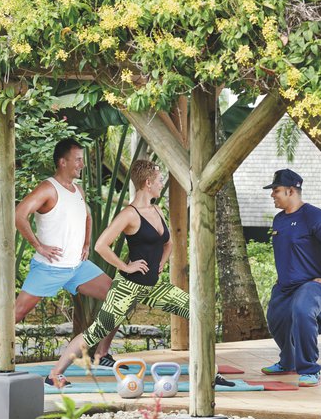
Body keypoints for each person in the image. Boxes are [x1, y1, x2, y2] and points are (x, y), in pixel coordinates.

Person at [47, 159, 233, 389]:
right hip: (127, 288)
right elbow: (101, 245)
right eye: (159, 180)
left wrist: (161, 263)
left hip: (153, 287)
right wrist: (126, 267)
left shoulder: (157, 210)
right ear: (148, 183)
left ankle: (209, 372)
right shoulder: (129, 214)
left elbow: (168, 243)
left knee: (199, 311)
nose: (162, 183)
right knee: (96, 332)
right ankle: (55, 374)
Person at [0, 138, 118, 375]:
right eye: (78, 160)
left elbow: (87, 217)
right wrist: (38, 246)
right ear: (62, 162)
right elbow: (19, 214)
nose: (82, 164)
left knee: (119, 296)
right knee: (16, 313)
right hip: (49, 268)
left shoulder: (78, 190)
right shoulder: (48, 188)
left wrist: (85, 244)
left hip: (77, 268)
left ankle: (102, 354)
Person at [260, 169, 321, 387]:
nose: (272, 194)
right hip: (285, 285)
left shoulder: (314, 216)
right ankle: (288, 361)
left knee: (302, 311)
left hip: (312, 283)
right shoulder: (279, 220)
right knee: (275, 318)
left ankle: (309, 369)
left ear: (290, 191)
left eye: (276, 190)